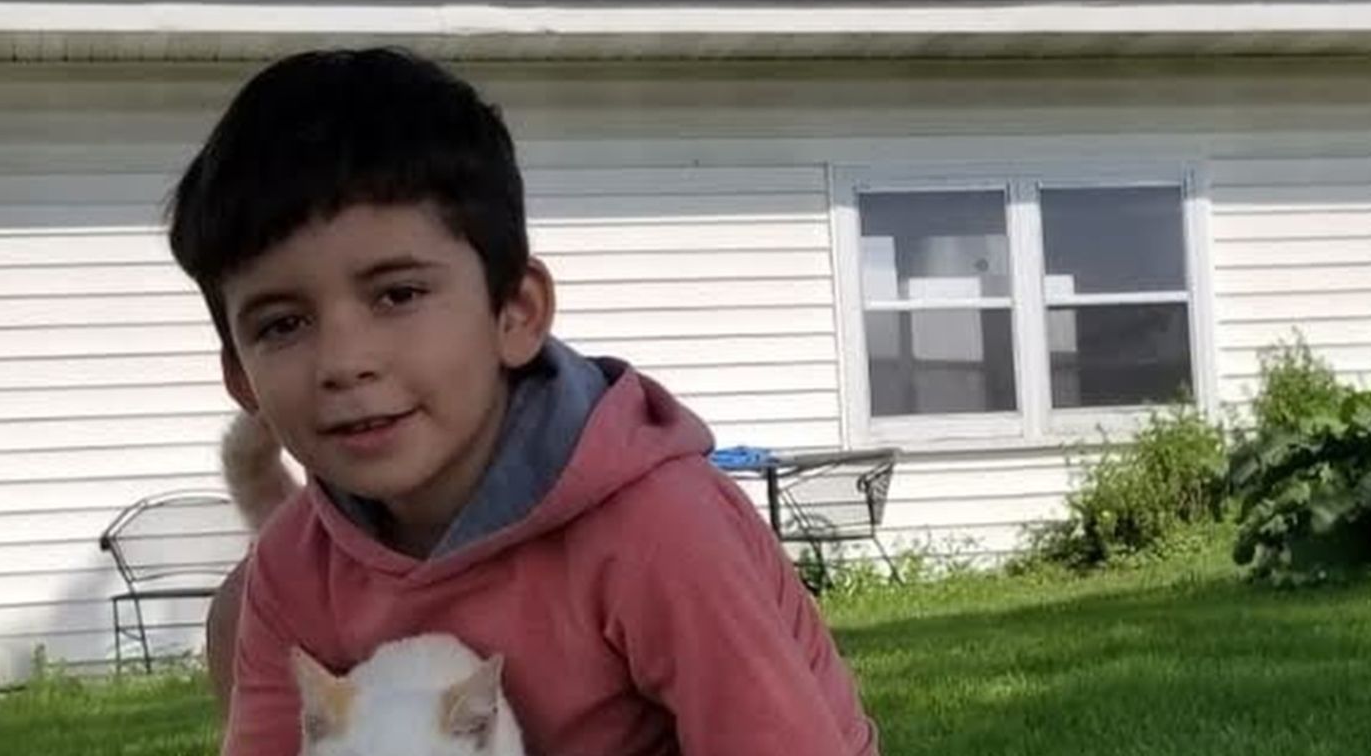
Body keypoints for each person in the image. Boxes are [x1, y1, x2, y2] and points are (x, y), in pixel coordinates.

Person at [167, 48, 878, 755]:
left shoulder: (661, 530)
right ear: (240, 378)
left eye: (398, 294)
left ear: (516, 312)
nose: (345, 363)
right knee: (236, 605)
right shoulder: (292, 569)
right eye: (282, 325)